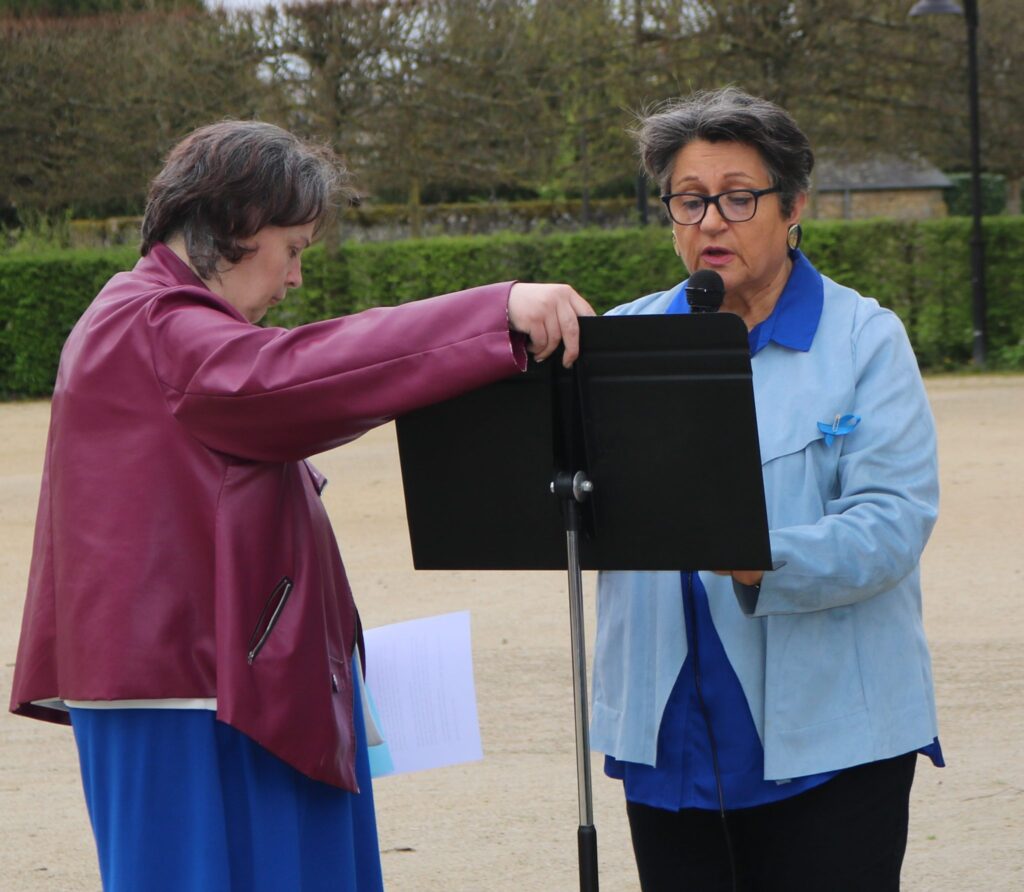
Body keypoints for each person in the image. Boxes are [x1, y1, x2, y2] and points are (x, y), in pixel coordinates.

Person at [9, 120, 593, 892]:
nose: (295, 279)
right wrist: (493, 313)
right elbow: (302, 374)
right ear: (236, 223)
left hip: (196, 689)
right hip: (194, 697)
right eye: (293, 249)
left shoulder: (139, 316)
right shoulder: (158, 325)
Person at [589, 87, 942, 891]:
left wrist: (754, 556)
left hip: (834, 741)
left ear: (793, 206)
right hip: (667, 735)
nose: (711, 221)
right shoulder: (621, 338)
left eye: (738, 197)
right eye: (689, 200)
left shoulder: (866, 339)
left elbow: (893, 522)